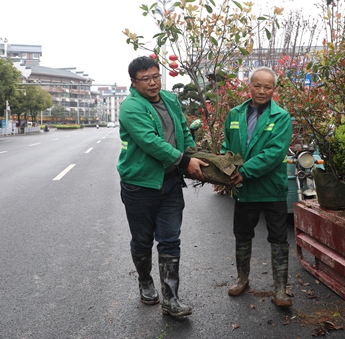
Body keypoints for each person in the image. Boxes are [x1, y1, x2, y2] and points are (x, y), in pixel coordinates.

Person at [117, 56, 207, 317]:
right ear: (133, 82)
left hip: (170, 182)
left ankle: (171, 299)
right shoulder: (131, 107)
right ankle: (145, 281)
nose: (153, 83)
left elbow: (183, 130)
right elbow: (150, 142)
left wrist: (192, 152)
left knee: (170, 240)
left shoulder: (170, 99)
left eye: (156, 76)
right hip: (139, 185)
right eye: (146, 79)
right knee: (143, 241)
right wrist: (185, 161)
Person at [221, 66, 294, 307]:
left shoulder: (281, 117)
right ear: (249, 86)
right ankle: (242, 279)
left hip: (271, 188)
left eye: (267, 87)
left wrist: (244, 172)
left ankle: (280, 289)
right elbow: (226, 147)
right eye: (257, 85)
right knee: (242, 234)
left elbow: (274, 153)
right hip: (244, 190)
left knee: (279, 238)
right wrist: (224, 168)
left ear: (274, 90)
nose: (262, 91)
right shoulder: (234, 114)